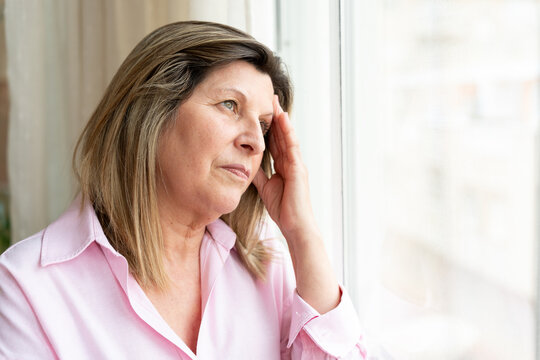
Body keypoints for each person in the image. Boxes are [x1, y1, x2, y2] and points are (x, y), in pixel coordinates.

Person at [0, 21, 368, 359]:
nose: (256, 142)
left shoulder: (267, 269)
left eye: (264, 125)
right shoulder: (24, 288)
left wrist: (303, 233)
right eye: (230, 105)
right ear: (152, 112)